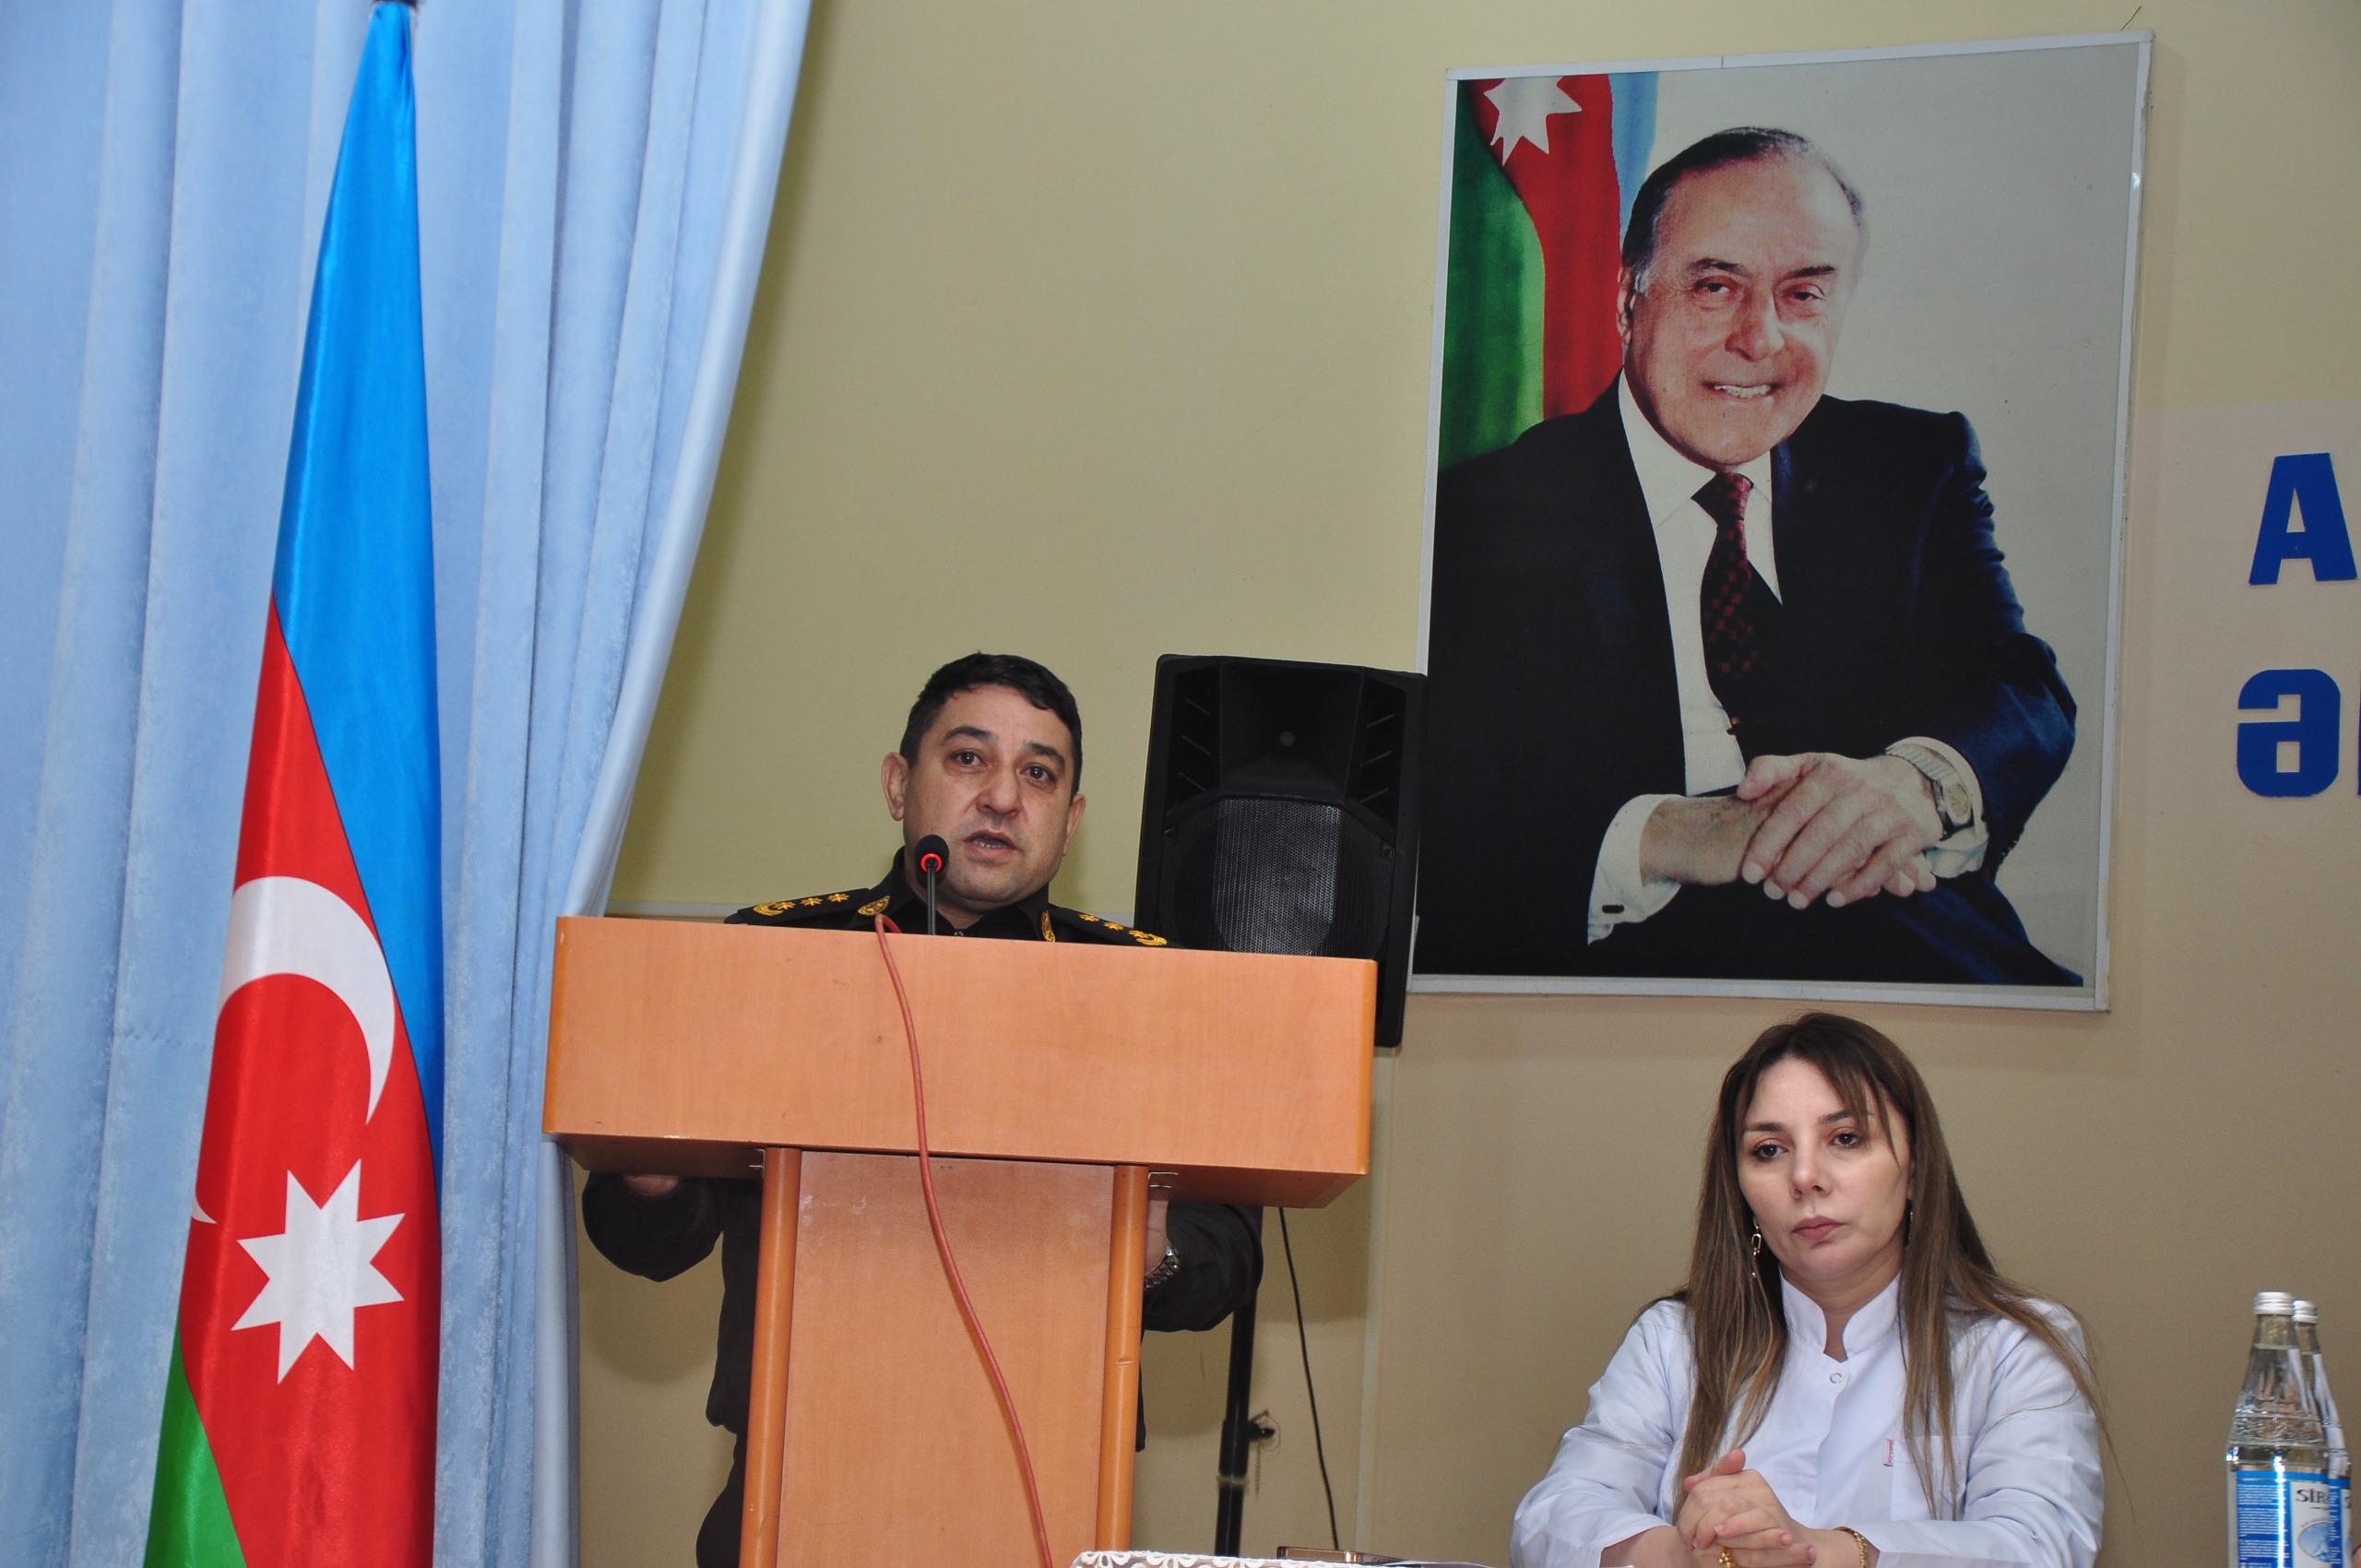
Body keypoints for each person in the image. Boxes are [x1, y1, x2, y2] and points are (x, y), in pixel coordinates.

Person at [582, 652, 1264, 1568]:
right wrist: (654, 1177)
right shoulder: (773, 960)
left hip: (1051, 1475)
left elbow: (1229, 1251)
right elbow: (649, 1242)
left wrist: (1153, 1257)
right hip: (795, 1467)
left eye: (1038, 773)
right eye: (968, 758)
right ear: (900, 785)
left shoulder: (1145, 990)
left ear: (1070, 821)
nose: (1002, 797)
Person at [1418, 127, 2078, 985]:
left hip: (1900, 945)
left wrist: (1914, 785)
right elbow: (1439, 814)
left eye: (1803, 294)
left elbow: (2023, 689)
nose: (1759, 338)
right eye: (1715, 287)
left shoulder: (1911, 466)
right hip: (1617, 982)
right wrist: (1674, 834)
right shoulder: (1477, 519)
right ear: (1627, 301)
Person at [1511, 1013, 2103, 1567]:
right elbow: (1549, 1520)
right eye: (1769, 1150)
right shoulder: (1675, 1340)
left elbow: (2040, 1545)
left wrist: (1817, 1551)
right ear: (1742, 1190)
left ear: (1916, 1169)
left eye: (1845, 1138)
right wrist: (1694, 1555)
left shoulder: (2013, 1347)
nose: (1805, 1178)